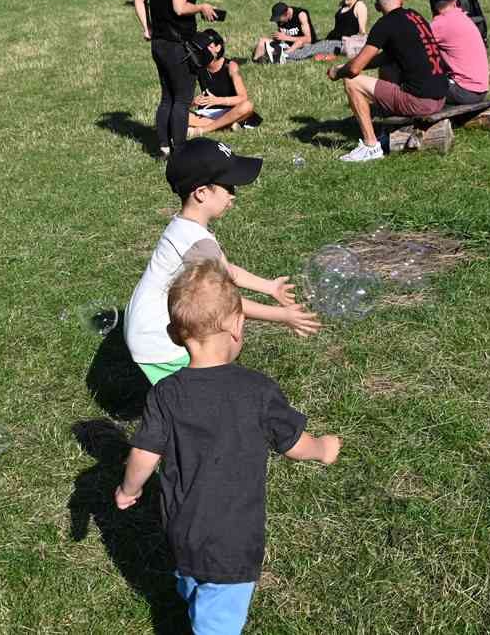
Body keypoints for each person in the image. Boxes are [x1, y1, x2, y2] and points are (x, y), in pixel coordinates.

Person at [116, 257, 342, 634]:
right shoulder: (257, 390)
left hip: (181, 530)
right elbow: (293, 444)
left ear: (175, 334)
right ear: (238, 324)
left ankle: (193, 596)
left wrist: (128, 489)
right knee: (217, 620)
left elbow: (143, 453)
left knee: (192, 579)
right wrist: (322, 447)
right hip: (233, 541)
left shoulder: (165, 393)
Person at [124, 137, 320, 385]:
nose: (233, 196)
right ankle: (199, 395)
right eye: (229, 187)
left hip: (147, 330)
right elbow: (225, 303)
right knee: (230, 334)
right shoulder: (197, 242)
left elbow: (228, 271)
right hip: (157, 342)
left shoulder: (186, 226)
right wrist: (283, 316)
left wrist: (270, 287)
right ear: (202, 193)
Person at [326, 0, 447, 162]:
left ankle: (370, 146)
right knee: (388, 66)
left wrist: (338, 72)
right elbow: (385, 58)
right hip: (441, 97)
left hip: (422, 102)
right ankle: (387, 129)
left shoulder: (385, 24)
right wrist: (350, 66)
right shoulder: (416, 16)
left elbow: (354, 70)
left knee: (352, 82)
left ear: (376, 6)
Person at [146, 0, 217, 158]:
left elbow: (139, 0)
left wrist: (147, 28)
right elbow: (179, 7)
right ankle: (180, 150)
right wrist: (201, 7)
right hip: (177, 45)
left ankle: (164, 147)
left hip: (159, 44)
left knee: (167, 97)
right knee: (182, 99)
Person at [188, 30, 260, 137]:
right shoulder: (197, 66)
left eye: (207, 46)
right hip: (207, 113)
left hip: (230, 111)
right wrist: (194, 102)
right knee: (177, 115)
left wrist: (217, 100)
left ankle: (203, 130)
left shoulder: (230, 66)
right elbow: (182, 102)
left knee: (247, 106)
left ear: (218, 47)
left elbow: (243, 98)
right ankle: (226, 126)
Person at [429, 0, 488, 105]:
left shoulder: (441, 24)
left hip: (464, 92)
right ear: (455, 2)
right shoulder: (463, 17)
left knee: (418, 85)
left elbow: (413, 43)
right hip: (480, 90)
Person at [285, 0, 367, 62]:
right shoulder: (345, 5)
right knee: (308, 47)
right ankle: (283, 52)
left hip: (341, 43)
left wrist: (358, 45)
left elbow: (362, 30)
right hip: (331, 40)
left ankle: (284, 56)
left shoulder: (359, 5)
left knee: (312, 50)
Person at [252, 2, 317, 64]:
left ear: (286, 13)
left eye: (279, 18)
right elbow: (281, 37)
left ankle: (282, 55)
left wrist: (286, 37)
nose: (278, 21)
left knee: (299, 42)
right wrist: (277, 39)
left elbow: (309, 39)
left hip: (304, 45)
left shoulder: (301, 15)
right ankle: (256, 61)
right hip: (289, 46)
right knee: (262, 40)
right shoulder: (281, 19)